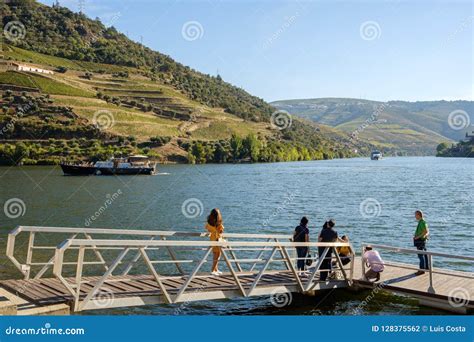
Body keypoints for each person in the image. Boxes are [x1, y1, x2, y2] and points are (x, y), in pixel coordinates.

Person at [205, 208, 224, 276]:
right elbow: (221, 231)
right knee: (218, 255)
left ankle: (216, 269)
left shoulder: (210, 222)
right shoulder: (218, 223)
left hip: (212, 238)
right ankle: (213, 270)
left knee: (216, 254)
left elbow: (207, 228)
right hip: (217, 239)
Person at [413, 210, 430, 275]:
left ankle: (421, 270)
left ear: (418, 215)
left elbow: (425, 231)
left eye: (415, 215)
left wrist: (417, 237)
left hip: (420, 241)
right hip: (422, 240)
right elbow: (427, 231)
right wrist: (425, 236)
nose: (415, 216)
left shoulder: (422, 222)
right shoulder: (423, 222)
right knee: (424, 254)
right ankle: (426, 267)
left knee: (420, 255)